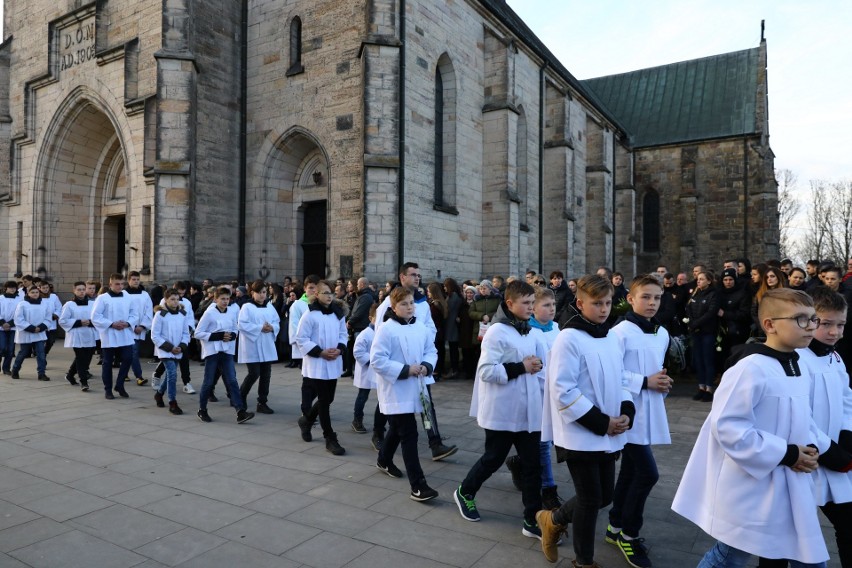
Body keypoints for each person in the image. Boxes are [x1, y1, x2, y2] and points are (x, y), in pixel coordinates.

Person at [672, 288, 829, 568]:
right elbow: (729, 427)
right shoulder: (750, 368)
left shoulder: (801, 366)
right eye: (800, 319)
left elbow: (804, 417)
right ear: (769, 324)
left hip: (791, 480)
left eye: (813, 319)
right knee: (732, 555)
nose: (811, 326)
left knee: (806, 553)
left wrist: (815, 446)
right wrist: (787, 453)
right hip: (756, 485)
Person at [536, 274, 635, 565]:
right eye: (596, 303)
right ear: (580, 303)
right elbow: (563, 390)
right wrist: (602, 422)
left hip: (609, 429)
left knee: (605, 495)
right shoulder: (569, 338)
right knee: (591, 499)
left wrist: (627, 412)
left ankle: (553, 519)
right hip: (580, 431)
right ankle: (584, 560)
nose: (604, 309)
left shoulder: (611, 337)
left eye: (607, 303)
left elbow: (621, 379)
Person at [454, 280, 546, 540]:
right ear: (510, 304)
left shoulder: (531, 331)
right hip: (504, 411)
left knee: (532, 465)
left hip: (529, 411)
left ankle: (532, 518)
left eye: (533, 303)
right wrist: (521, 367)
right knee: (493, 458)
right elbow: (485, 371)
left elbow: (539, 367)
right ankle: (465, 491)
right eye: (526, 303)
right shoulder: (497, 332)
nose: (531, 307)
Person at [606, 275, 672, 568]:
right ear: (630, 299)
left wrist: (663, 382)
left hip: (651, 410)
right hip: (628, 412)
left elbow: (658, 369)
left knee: (631, 472)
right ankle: (629, 536)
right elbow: (609, 374)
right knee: (648, 474)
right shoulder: (619, 332)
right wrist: (644, 382)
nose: (652, 303)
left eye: (657, 297)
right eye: (645, 297)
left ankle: (615, 526)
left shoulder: (662, 333)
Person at [375, 262, 457, 461]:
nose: (417, 278)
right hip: (398, 366)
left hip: (420, 364)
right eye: (413, 274)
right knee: (390, 407)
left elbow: (430, 328)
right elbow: (380, 332)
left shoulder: (422, 303)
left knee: (426, 404)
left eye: (419, 275)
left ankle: (434, 442)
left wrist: (420, 340)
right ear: (402, 277)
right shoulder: (389, 303)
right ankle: (378, 433)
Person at [370, 286, 440, 502]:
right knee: (409, 433)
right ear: (393, 307)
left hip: (416, 386)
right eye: (404, 304)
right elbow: (377, 360)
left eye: (411, 303)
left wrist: (427, 365)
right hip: (396, 389)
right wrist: (405, 369)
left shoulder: (420, 327)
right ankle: (418, 486)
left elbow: (431, 350)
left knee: (398, 429)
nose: (409, 307)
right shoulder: (386, 329)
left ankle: (383, 459)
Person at [507, 286, 564, 510]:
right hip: (537, 392)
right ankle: (548, 489)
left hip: (556, 392)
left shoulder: (557, 329)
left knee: (547, 441)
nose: (552, 310)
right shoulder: (528, 332)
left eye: (553, 305)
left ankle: (518, 461)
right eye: (546, 306)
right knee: (542, 444)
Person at [295, 280, 348, 455]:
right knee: (324, 401)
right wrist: (320, 352)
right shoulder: (309, 315)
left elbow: (343, 334)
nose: (329, 296)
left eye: (331, 293)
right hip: (317, 363)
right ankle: (330, 438)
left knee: (329, 398)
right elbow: (301, 338)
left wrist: (339, 349)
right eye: (325, 293)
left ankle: (307, 420)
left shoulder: (337, 314)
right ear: (316, 294)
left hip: (332, 362)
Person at [194, 286, 255, 424]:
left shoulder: (232, 312)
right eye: (222, 299)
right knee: (208, 382)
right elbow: (197, 333)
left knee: (232, 380)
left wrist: (233, 335)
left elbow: (235, 328)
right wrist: (218, 336)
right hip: (213, 351)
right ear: (215, 299)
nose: (225, 301)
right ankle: (202, 409)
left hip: (227, 350)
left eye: (227, 299)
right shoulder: (209, 313)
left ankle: (240, 411)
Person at [91, 273, 139, 399]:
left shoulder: (128, 297)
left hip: (125, 333)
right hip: (109, 334)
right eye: (117, 284)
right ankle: (108, 389)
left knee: (128, 358)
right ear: (110, 284)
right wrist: (111, 324)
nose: (120, 286)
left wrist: (128, 323)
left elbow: (135, 314)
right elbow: (95, 316)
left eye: (122, 284)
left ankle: (120, 384)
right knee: (107, 362)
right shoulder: (102, 298)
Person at [238, 280, 281, 415]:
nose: (263, 295)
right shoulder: (247, 307)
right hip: (253, 345)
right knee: (254, 373)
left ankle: (262, 402)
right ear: (253, 293)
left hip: (267, 344)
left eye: (264, 292)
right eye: (259, 292)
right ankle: (240, 396)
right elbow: (242, 324)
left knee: (266, 374)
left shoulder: (269, 307)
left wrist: (272, 327)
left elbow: (277, 321)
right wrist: (259, 327)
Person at [151, 289, 192, 415]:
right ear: (166, 300)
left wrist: (181, 346)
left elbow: (186, 333)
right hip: (165, 350)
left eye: (177, 299)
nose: (175, 302)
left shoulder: (182, 314)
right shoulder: (160, 314)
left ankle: (159, 394)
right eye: (172, 299)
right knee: (173, 374)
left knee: (170, 375)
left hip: (178, 349)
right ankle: (172, 402)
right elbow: (155, 335)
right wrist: (170, 348)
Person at [352, 304, 386, 447]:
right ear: (371, 318)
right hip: (367, 370)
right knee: (363, 396)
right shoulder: (365, 334)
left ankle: (381, 423)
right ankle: (357, 419)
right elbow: (358, 352)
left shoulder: (382, 333)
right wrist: (373, 360)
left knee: (382, 396)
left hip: (379, 371)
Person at [59, 281, 98, 391]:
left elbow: (97, 318)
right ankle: (84, 382)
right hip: (77, 335)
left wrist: (90, 322)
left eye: (83, 289)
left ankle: (70, 375)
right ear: (74, 291)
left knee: (86, 358)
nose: (81, 292)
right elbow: (63, 320)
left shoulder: (92, 304)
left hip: (90, 334)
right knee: (81, 358)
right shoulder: (69, 305)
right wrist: (78, 322)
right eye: (79, 290)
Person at [687, 271, 720, 401]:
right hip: (696, 331)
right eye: (698, 279)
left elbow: (711, 312)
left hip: (708, 331)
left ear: (709, 281)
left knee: (707, 360)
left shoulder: (714, 294)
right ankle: (701, 387)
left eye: (701, 279)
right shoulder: (695, 293)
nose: (698, 281)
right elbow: (688, 308)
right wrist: (692, 322)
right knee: (698, 360)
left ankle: (709, 389)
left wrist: (696, 323)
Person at [10, 285, 52, 381]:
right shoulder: (22, 304)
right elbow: (18, 319)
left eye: (36, 292)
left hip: (39, 332)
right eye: (32, 292)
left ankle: (41, 374)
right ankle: (15, 370)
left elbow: (48, 317)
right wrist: (31, 328)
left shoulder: (44, 304)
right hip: (26, 332)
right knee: (23, 353)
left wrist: (41, 327)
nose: (35, 294)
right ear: (28, 293)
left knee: (41, 354)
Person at [125, 271, 153, 386]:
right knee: (129, 352)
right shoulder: (124, 294)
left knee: (133, 352)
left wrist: (142, 326)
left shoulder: (144, 294)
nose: (136, 281)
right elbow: (122, 312)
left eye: (137, 279)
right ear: (128, 280)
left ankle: (131, 374)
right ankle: (136, 376)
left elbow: (149, 311)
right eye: (133, 279)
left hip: (139, 328)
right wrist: (130, 325)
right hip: (126, 328)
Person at [443, 278, 464, 379]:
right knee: (453, 349)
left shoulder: (454, 296)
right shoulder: (454, 295)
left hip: (453, 326)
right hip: (452, 325)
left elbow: (449, 309)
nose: (444, 288)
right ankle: (454, 369)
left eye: (445, 286)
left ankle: (454, 370)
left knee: (453, 349)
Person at [426, 282, 448, 379]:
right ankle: (439, 370)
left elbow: (434, 319)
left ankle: (437, 372)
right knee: (440, 350)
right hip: (440, 331)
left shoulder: (435, 305)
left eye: (429, 291)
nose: (428, 293)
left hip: (437, 331)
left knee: (437, 351)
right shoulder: (441, 302)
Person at [0, 280, 21, 376]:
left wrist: (11, 323)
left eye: (14, 287)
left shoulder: (20, 299)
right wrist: (3, 323)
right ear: (6, 288)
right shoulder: (1, 298)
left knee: (11, 349)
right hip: (1, 327)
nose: (12, 289)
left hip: (13, 327)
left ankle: (6, 368)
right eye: (10, 287)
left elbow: (20, 313)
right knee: (2, 347)